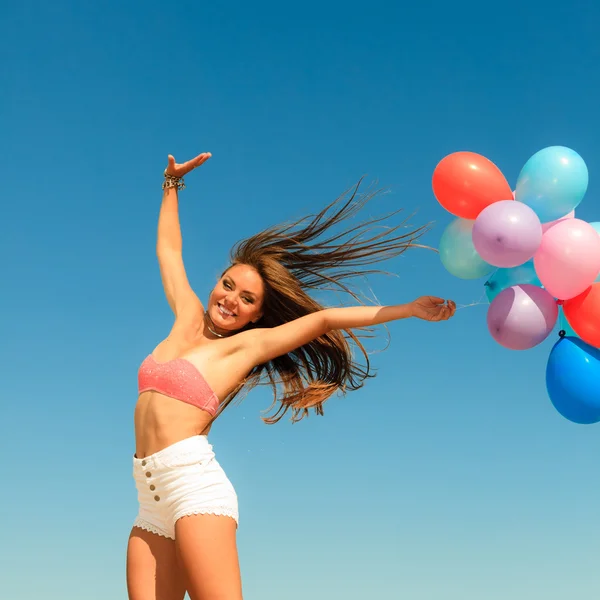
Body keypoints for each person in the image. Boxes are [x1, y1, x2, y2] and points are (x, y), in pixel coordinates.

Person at [126, 151, 456, 600]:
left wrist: (408, 310)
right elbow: (169, 250)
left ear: (258, 316)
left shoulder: (245, 347)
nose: (230, 300)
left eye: (246, 299)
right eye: (228, 285)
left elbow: (323, 321)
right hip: (149, 498)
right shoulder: (184, 315)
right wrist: (171, 184)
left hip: (193, 489)